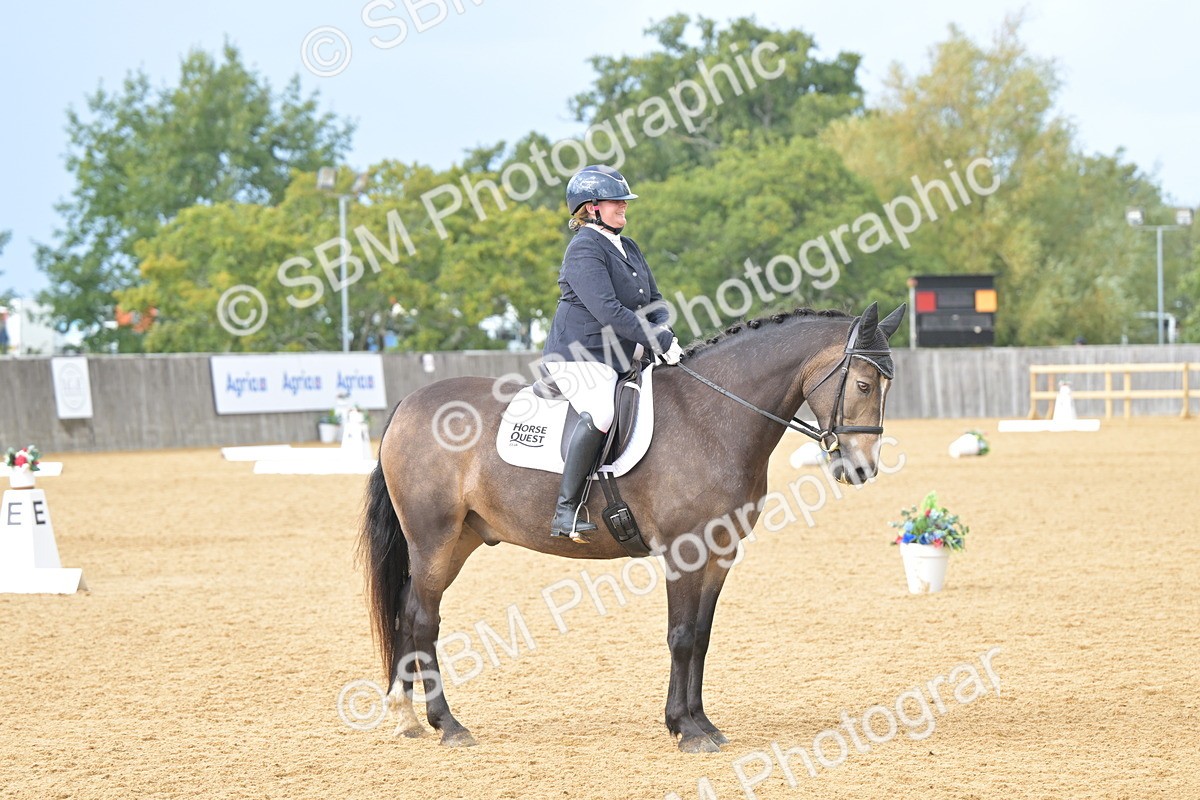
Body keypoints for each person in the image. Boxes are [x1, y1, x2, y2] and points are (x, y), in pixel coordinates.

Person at [542, 165, 683, 542]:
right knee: (602, 410)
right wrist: (656, 340)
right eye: (615, 201)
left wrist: (667, 332)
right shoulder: (583, 249)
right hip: (580, 356)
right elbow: (608, 311)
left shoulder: (629, 247)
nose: (624, 206)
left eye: (624, 201)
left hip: (623, 355)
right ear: (591, 208)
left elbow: (652, 301)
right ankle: (566, 510)